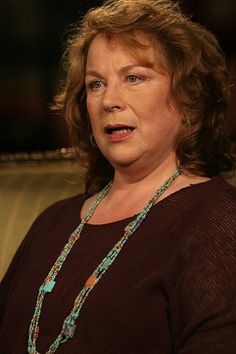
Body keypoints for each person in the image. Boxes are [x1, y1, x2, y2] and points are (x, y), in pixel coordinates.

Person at [0, 0, 235, 353]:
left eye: (134, 77)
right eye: (96, 84)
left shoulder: (219, 224)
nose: (109, 100)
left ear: (189, 97)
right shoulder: (53, 221)